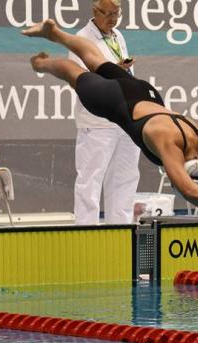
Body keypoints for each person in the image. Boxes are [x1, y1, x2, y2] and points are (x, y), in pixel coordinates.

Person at [22, 19, 198, 255]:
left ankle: (54, 33)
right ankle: (41, 64)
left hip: (146, 93)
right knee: (74, 73)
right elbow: (192, 191)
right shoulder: (171, 144)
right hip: (116, 100)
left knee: (96, 59)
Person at [69, 0, 140, 225]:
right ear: (94, 11)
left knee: (125, 180)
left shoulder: (118, 36)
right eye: (107, 13)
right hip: (97, 122)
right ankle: (85, 233)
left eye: (117, 13)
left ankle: (121, 231)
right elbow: (79, 80)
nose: (112, 19)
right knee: (90, 181)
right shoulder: (81, 39)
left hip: (124, 120)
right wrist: (113, 72)